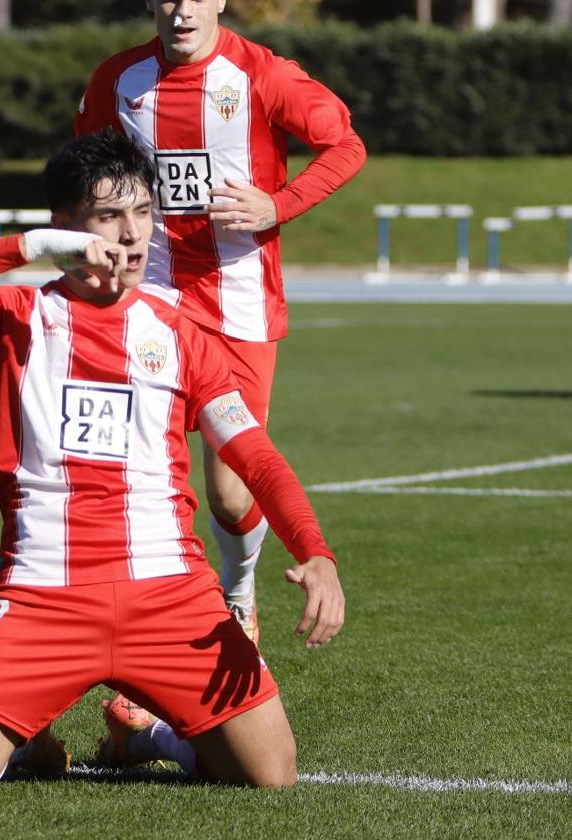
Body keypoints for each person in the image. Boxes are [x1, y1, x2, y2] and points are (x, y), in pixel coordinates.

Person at [0, 129, 345, 800]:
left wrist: (315, 551)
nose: (132, 234)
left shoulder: (183, 334)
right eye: (108, 216)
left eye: (143, 213)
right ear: (68, 228)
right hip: (42, 593)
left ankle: (147, 737)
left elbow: (251, 451)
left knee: (269, 776)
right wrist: (32, 249)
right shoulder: (18, 319)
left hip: (171, 597)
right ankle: (26, 735)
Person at [76, 0, 366, 642]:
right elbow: (88, 173)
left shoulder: (264, 76)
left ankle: (238, 595)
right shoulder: (117, 81)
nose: (182, 10)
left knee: (234, 494)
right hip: (148, 302)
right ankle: (137, 619)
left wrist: (279, 205)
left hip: (238, 307)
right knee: (137, 470)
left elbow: (345, 146)